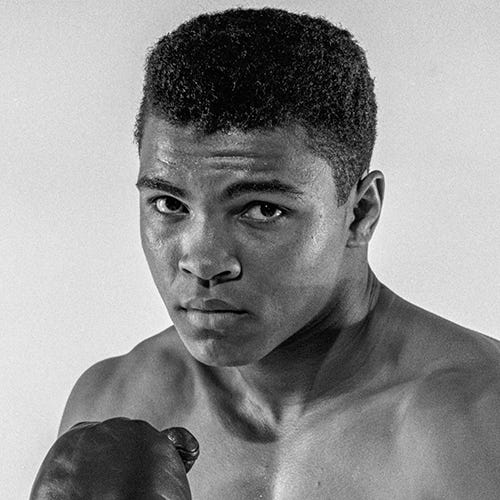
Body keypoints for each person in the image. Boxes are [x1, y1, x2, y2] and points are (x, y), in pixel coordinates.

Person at [31, 7, 500, 499]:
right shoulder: (116, 398)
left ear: (360, 213)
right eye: (169, 204)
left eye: (261, 209)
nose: (202, 262)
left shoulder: (475, 424)